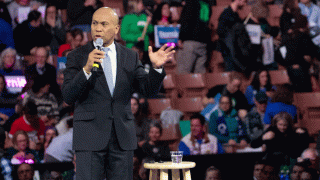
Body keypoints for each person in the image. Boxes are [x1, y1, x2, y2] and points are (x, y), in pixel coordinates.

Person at [62, 7, 174, 180]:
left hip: (121, 139)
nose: (98, 28)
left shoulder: (130, 56)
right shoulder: (77, 56)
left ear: (116, 29)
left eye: (104, 24)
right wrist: (86, 69)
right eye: (94, 23)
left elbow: (148, 90)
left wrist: (156, 68)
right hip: (90, 138)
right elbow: (68, 96)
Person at [217, 0, 254, 74]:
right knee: (232, 75)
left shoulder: (236, 15)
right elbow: (221, 32)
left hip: (237, 52)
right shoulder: (226, 14)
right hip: (229, 52)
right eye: (244, 1)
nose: (245, 4)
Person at [177, 0, 213, 73]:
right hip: (203, 43)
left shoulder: (191, 3)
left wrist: (181, 38)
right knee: (199, 77)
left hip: (190, 42)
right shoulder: (207, 4)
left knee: (183, 74)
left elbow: (186, 21)